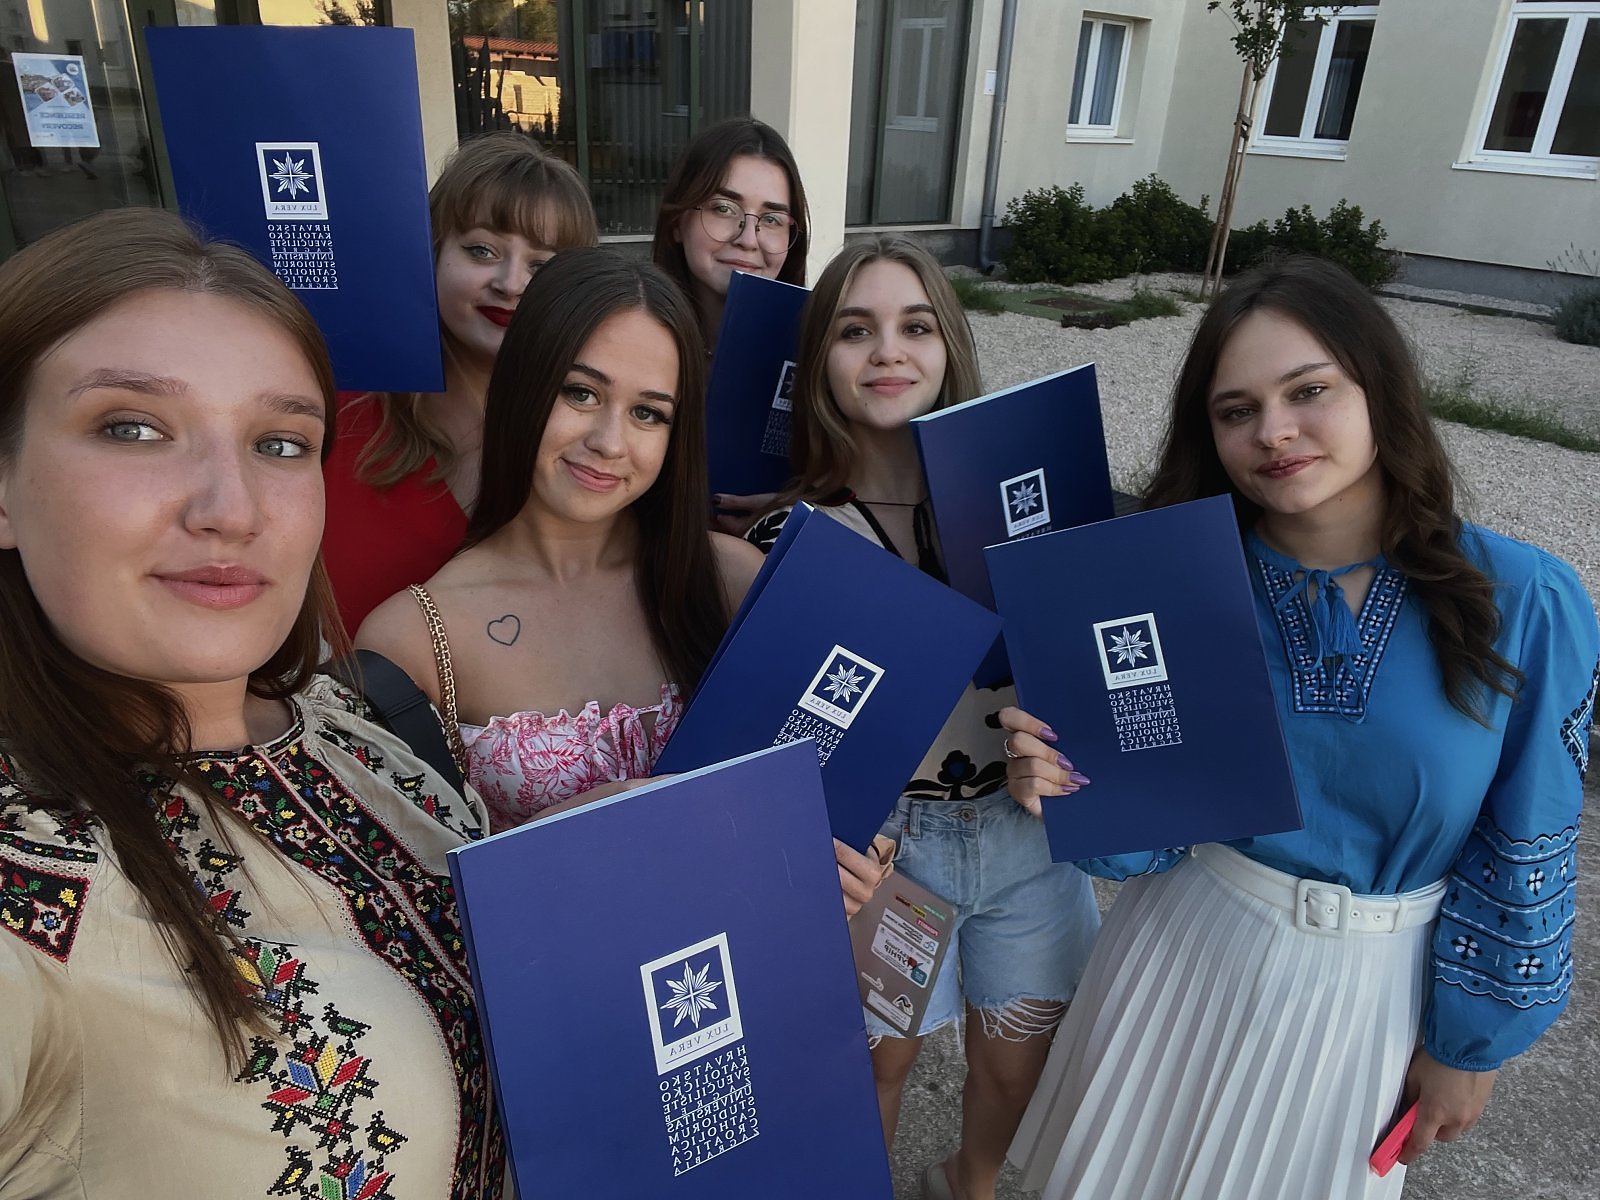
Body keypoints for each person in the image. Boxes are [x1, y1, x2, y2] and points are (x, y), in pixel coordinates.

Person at [1004, 255, 1599, 1200]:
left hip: (1369, 995)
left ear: (1380, 389)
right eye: (1236, 410)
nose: (1273, 432)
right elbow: (1139, 845)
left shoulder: (1524, 598)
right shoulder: (1170, 585)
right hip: (1177, 959)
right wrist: (1062, 783)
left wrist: (1470, 1044)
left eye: (1308, 390)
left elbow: (1530, 834)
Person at [0, 208, 504, 1197]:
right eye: (133, 428)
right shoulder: (27, 879)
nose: (231, 508)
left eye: (280, 441)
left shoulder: (349, 729)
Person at [354, 248, 886, 910]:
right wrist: (571, 835)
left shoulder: (733, 581)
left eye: (648, 413)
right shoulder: (412, 637)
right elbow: (406, 909)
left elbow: (819, 789)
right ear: (522, 383)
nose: (610, 441)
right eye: (581, 393)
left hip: (753, 959)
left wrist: (847, 861)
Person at [745, 236, 1101, 1200]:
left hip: (1025, 834)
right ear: (819, 358)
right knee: (874, 1069)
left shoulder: (1023, 505)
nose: (888, 352)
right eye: (855, 330)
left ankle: (967, 1184)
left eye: (916, 326)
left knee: (1015, 1065)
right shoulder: (788, 531)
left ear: (951, 346)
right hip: (883, 845)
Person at [323, 130, 598, 635]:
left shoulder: (598, 428)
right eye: (482, 250)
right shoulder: (338, 415)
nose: (511, 284)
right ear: (432, 251)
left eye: (542, 265)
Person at [653, 116, 810, 530]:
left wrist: (799, 507)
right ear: (677, 222)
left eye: (772, 218)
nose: (748, 238)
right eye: (724, 209)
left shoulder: (822, 352)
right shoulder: (629, 340)